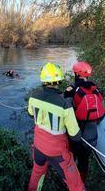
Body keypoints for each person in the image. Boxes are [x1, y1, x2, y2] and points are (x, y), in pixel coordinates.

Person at [27, 62, 85, 191]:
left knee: (37, 175)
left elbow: (31, 114)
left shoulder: (33, 97)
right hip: (58, 152)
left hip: (38, 148)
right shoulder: (65, 105)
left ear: (43, 80)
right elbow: (75, 136)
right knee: (76, 185)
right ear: (58, 80)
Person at [64, 61, 105, 183]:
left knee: (72, 158)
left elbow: (66, 108)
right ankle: (81, 183)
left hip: (76, 134)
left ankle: (71, 183)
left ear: (76, 74)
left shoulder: (71, 89)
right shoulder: (95, 88)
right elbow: (101, 108)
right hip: (91, 135)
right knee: (84, 161)